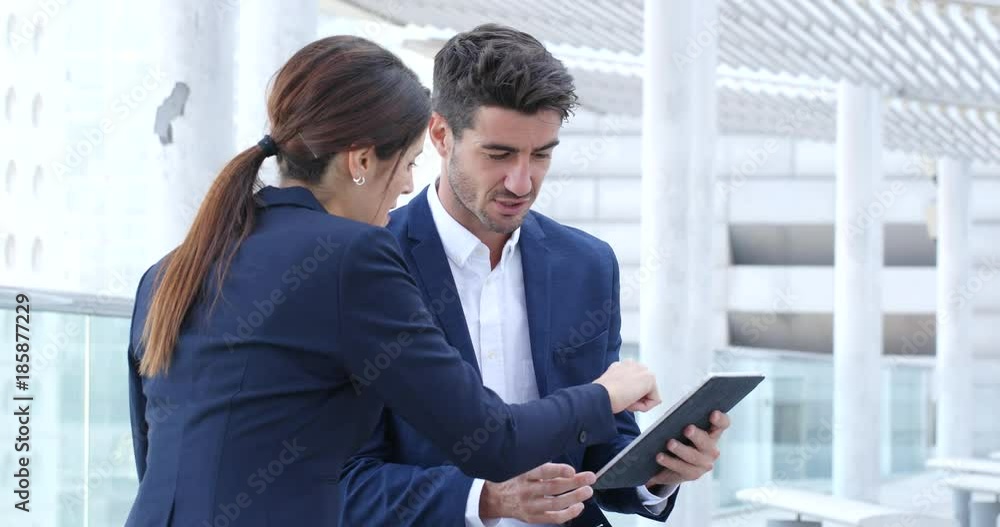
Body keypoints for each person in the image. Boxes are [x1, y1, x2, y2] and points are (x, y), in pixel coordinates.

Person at [125, 35, 661, 527]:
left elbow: (153, 458)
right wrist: (605, 395)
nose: (406, 185)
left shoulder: (172, 269)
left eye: (541, 155)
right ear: (361, 160)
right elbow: (493, 439)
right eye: (405, 164)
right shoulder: (354, 255)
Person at [340, 25, 732, 527]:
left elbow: (601, 446)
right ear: (440, 135)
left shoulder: (586, 265)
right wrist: (485, 501)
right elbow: (344, 478)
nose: (522, 182)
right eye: (499, 154)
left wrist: (659, 474)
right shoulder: (366, 261)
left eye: (541, 154)